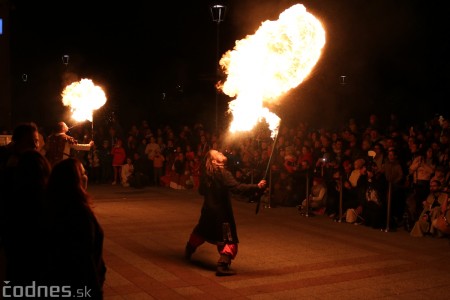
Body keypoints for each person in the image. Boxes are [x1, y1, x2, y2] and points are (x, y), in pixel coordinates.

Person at [184, 149, 267, 276]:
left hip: (207, 211)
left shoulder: (207, 174)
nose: (221, 153)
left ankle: (188, 251)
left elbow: (201, 191)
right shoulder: (223, 173)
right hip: (222, 214)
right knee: (229, 239)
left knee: (200, 232)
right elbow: (237, 188)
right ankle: (222, 266)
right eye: (217, 153)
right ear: (214, 161)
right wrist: (257, 186)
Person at [41, 158, 106, 298]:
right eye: (81, 173)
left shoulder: (53, 205)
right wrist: (94, 290)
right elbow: (84, 256)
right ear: (72, 180)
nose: (85, 177)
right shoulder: (78, 212)